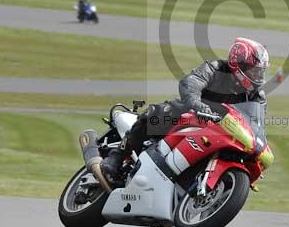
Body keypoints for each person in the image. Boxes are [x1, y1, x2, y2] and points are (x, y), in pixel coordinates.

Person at [102, 37, 270, 178]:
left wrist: (258, 149)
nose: (258, 76)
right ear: (238, 64)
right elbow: (191, 83)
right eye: (254, 71)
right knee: (156, 115)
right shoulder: (216, 68)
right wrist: (197, 105)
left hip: (218, 130)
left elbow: (256, 125)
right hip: (189, 114)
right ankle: (117, 156)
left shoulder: (256, 95)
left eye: (260, 72)